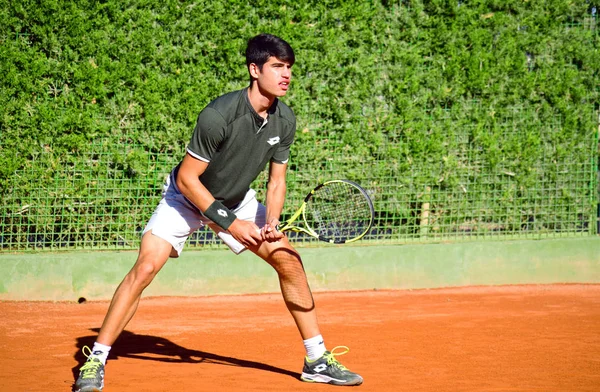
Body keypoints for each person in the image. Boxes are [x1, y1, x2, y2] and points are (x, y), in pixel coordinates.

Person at [74, 33, 363, 391]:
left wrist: (271, 221)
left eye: (289, 68)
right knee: (146, 267)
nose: (286, 75)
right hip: (186, 198)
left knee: (289, 260)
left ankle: (316, 359)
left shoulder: (284, 120)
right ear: (254, 70)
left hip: (238, 198)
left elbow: (277, 182)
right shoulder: (218, 116)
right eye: (277, 67)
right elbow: (188, 178)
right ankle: (95, 361)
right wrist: (231, 223)